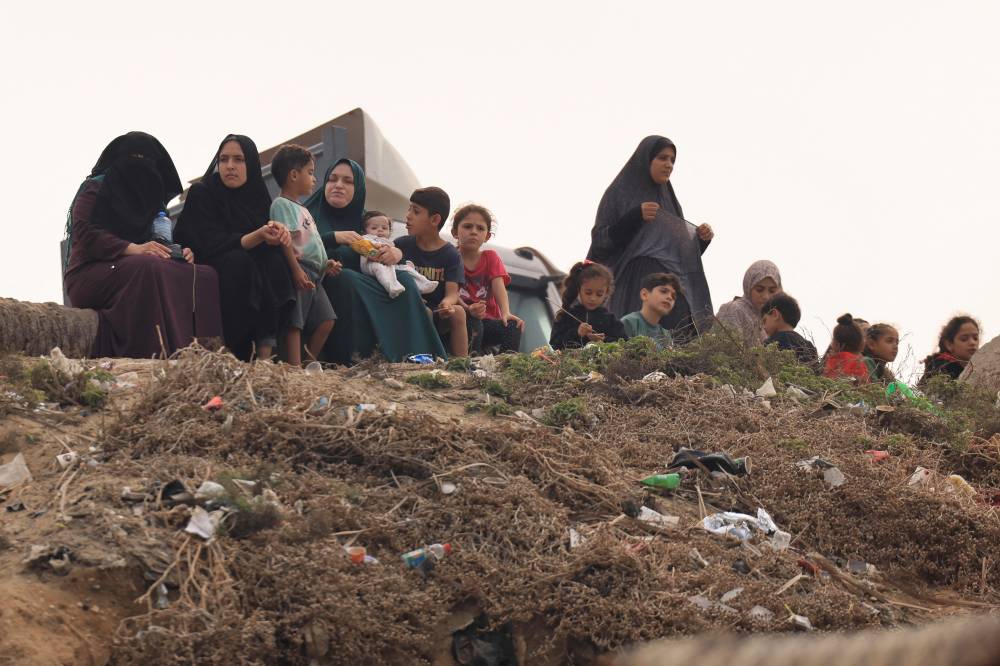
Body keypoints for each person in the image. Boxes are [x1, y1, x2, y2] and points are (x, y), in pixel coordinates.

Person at [64, 132, 224, 358]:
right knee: (147, 265)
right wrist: (132, 248)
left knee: (204, 274)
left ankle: (202, 359)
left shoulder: (152, 198)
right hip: (89, 273)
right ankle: (155, 355)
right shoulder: (95, 188)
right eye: (133, 157)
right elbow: (84, 233)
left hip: (138, 266)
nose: (139, 165)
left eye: (145, 159)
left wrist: (178, 253)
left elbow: (159, 242)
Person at [304, 160, 447, 363]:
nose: (338, 185)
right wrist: (333, 237)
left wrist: (396, 253)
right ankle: (362, 358)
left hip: (371, 278)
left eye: (348, 181)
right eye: (332, 179)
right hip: (332, 278)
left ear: (359, 188)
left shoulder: (367, 221)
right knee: (346, 279)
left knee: (405, 279)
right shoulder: (307, 214)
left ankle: (417, 356)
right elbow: (300, 246)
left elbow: (386, 246)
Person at [175, 135, 296, 361]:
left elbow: (263, 238)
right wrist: (256, 236)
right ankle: (233, 352)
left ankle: (266, 354)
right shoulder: (203, 193)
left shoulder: (257, 197)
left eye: (239, 159)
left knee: (274, 263)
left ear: (250, 164)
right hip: (210, 257)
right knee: (239, 263)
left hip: (245, 258)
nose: (230, 166)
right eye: (224, 159)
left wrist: (277, 233)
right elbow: (207, 241)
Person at [587, 136, 714, 342]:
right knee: (633, 348)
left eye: (672, 160)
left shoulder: (670, 201)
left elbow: (678, 252)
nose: (669, 165)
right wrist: (633, 217)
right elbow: (600, 243)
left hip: (670, 295)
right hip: (632, 290)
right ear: (646, 160)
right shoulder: (619, 193)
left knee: (678, 351)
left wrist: (700, 240)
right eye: (662, 158)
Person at [268, 145, 342, 366]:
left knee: (327, 320)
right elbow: (286, 241)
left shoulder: (304, 209)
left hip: (315, 274)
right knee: (295, 323)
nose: (314, 178)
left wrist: (326, 264)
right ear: (293, 175)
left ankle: (309, 362)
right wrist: (296, 270)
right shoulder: (281, 205)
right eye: (310, 172)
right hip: (300, 270)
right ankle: (295, 368)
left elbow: (311, 243)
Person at [396, 187, 470, 358]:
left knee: (458, 312)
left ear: (435, 219)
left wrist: (447, 304)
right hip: (408, 308)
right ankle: (421, 359)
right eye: (409, 209)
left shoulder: (451, 254)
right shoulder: (401, 245)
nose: (408, 215)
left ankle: (461, 363)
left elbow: (452, 293)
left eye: (416, 211)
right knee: (425, 311)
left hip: (437, 311)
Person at [451, 204, 524, 355]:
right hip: (461, 321)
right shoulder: (450, 257)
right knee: (473, 321)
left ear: (487, 236)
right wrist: (468, 309)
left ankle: (506, 368)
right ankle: (473, 364)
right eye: (467, 226)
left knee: (513, 325)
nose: (473, 232)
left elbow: (499, 286)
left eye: (480, 228)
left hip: (487, 321)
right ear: (455, 232)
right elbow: (450, 292)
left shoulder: (490, 257)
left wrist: (505, 313)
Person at [355, 211, 438, 298]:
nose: (380, 230)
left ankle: (423, 283)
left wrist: (403, 262)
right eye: (374, 228)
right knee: (380, 269)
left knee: (406, 268)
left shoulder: (390, 242)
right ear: (364, 231)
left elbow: (395, 258)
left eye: (384, 228)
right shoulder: (366, 238)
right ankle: (392, 287)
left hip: (389, 264)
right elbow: (367, 249)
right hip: (371, 264)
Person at [549, 261, 626, 350]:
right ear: (579, 289)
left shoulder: (609, 319)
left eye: (599, 294)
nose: (593, 298)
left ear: (607, 293)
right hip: (572, 363)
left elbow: (624, 343)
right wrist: (577, 333)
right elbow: (554, 344)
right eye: (588, 293)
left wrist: (603, 340)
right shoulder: (567, 315)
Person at [716, 260, 782, 346]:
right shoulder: (732, 310)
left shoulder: (773, 319)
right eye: (759, 290)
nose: (766, 296)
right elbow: (726, 353)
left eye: (772, 291)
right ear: (748, 287)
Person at [620, 273, 679, 350]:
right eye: (663, 291)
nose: (669, 297)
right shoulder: (629, 323)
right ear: (644, 294)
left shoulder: (666, 335)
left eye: (673, 296)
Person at [761, 293, 818, 366]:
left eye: (764, 321)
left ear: (775, 314)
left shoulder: (772, 344)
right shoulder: (809, 345)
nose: (763, 327)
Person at [920, 316, 980, 384]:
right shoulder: (942, 369)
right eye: (964, 339)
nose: (972, 343)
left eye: (975, 338)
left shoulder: (979, 367)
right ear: (949, 345)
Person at [822, 314, 869, 383]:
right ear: (861, 342)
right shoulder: (858, 363)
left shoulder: (831, 361)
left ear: (836, 343)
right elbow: (864, 387)